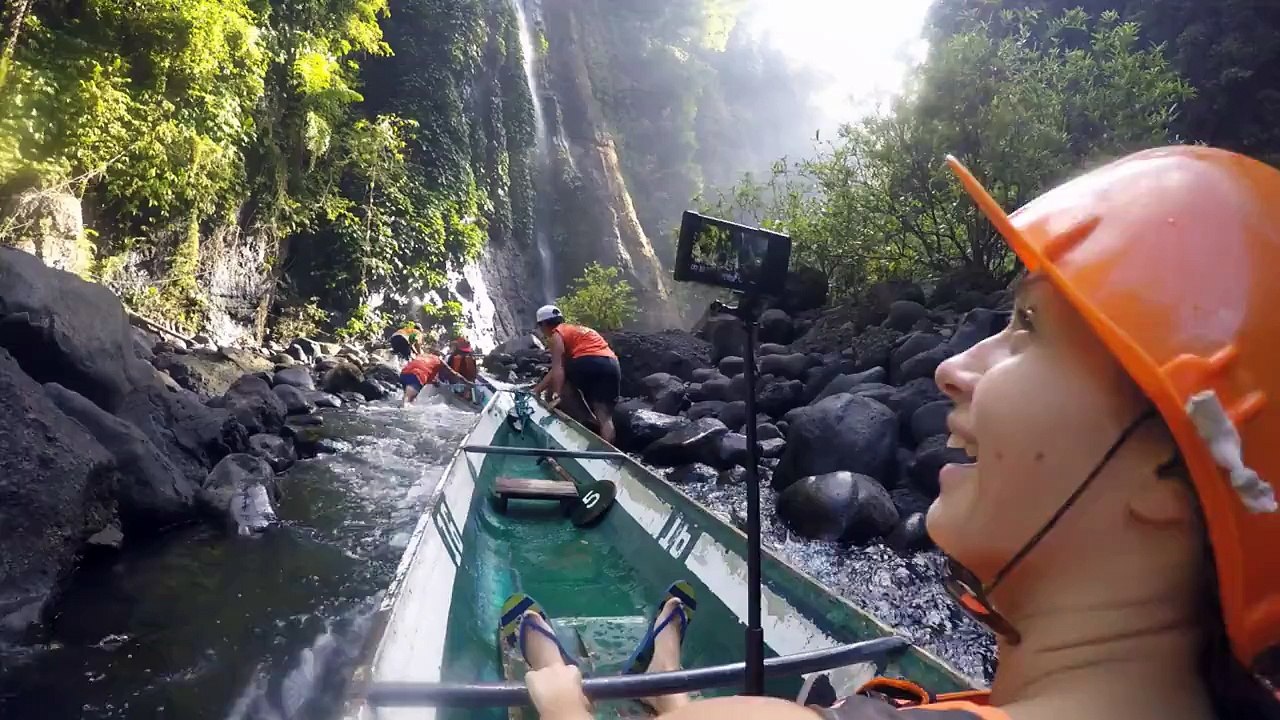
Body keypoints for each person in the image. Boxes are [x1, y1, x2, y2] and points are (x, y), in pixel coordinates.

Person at [517, 145, 1280, 720]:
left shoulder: (564, 338)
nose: (951, 366)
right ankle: (672, 688)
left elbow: (558, 374)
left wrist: (562, 705)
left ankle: (656, 682)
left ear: (1167, 473)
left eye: (1027, 325)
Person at [530, 305, 622, 444]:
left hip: (588, 362)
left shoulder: (557, 334)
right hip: (612, 364)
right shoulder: (578, 330)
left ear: (543, 324)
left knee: (559, 385)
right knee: (605, 417)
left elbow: (558, 368)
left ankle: (581, 419)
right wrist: (536, 390)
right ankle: (608, 454)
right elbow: (561, 368)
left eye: (540, 326)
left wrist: (556, 393)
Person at [400, 349, 465, 407]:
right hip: (417, 376)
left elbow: (426, 370)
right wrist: (467, 382)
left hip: (404, 374)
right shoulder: (439, 360)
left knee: (410, 400)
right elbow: (453, 373)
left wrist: (434, 382)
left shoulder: (422, 356)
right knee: (406, 402)